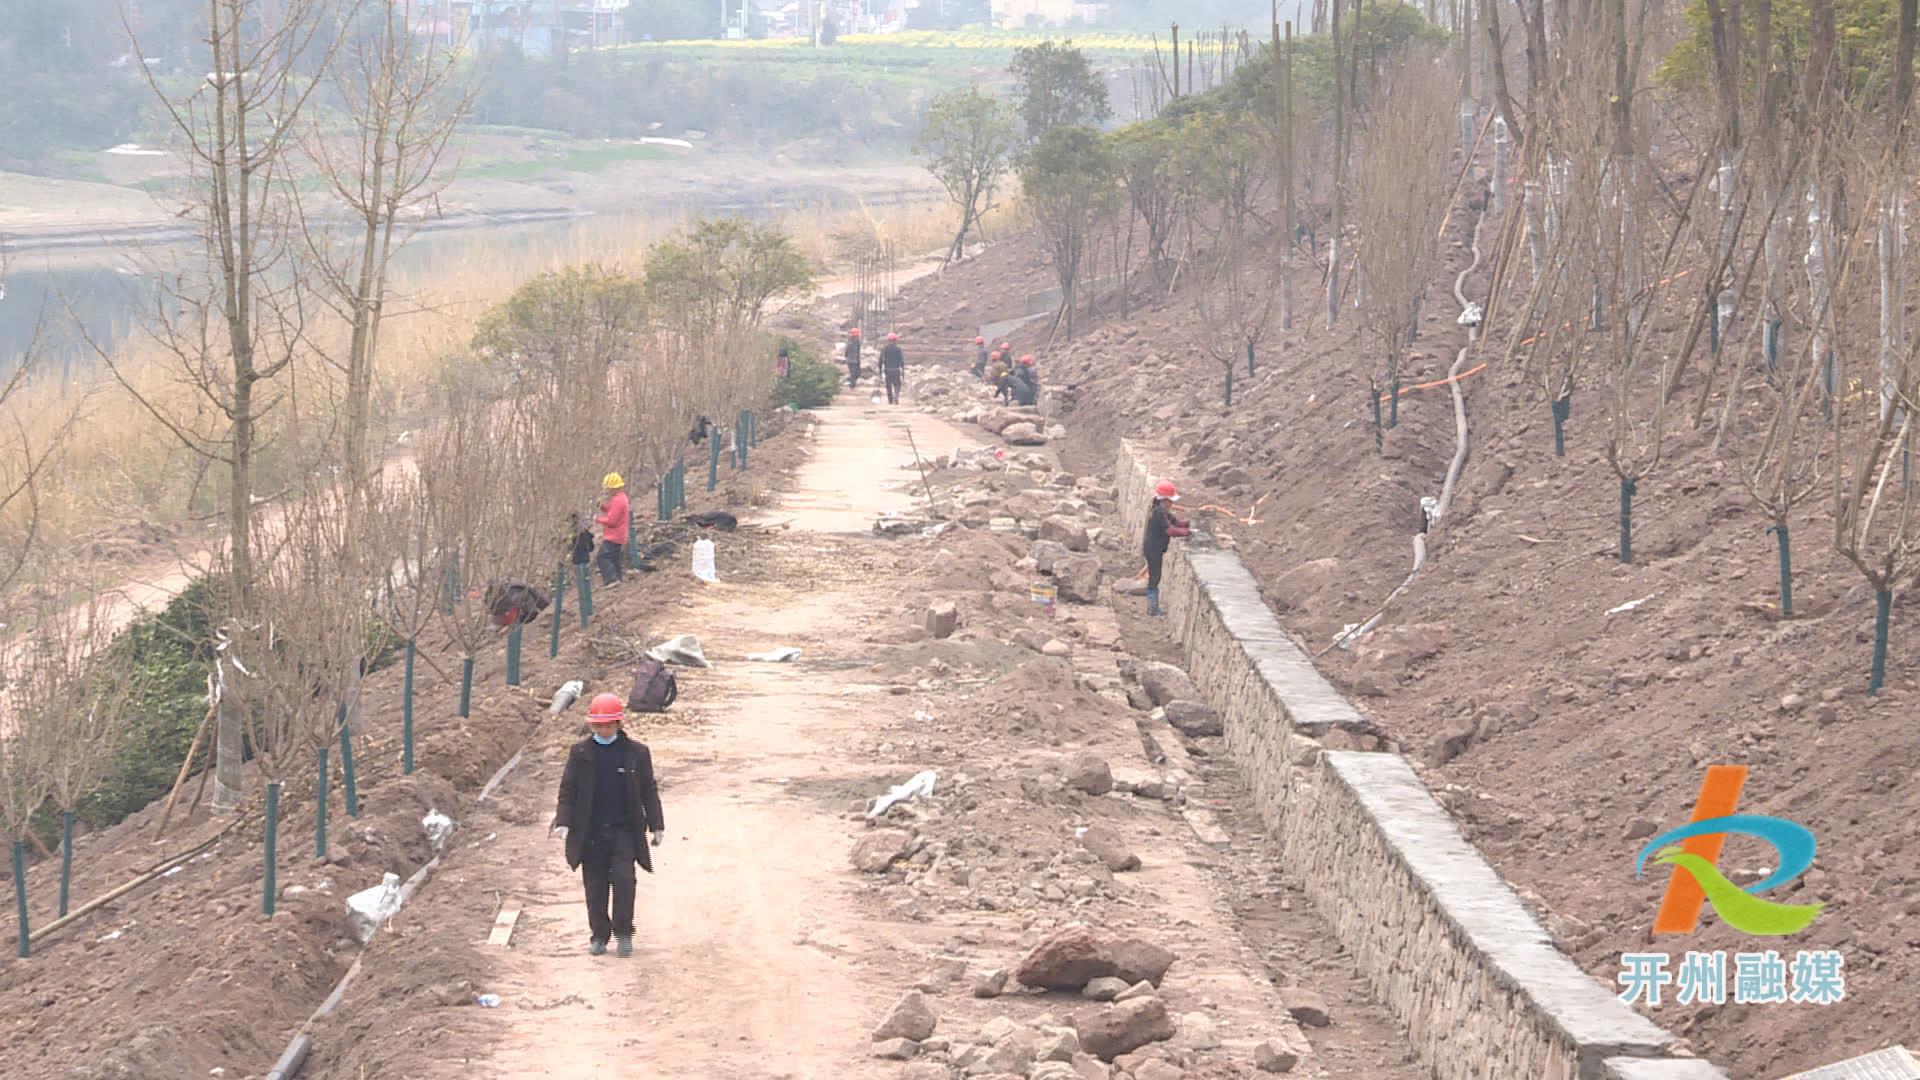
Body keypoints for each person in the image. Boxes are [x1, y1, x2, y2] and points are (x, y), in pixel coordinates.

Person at [552, 693, 664, 957]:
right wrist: (564, 821)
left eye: (609, 725)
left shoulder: (636, 753)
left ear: (618, 724)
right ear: (592, 726)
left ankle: (624, 933)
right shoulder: (580, 753)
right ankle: (599, 936)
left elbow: (649, 789)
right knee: (595, 885)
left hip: (623, 831)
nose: (604, 730)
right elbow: (568, 789)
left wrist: (657, 824)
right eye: (599, 726)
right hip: (590, 833)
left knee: (625, 881)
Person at [1141, 480, 1191, 617]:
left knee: (1156, 576)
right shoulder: (1158, 513)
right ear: (1165, 500)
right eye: (1170, 501)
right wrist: (1187, 532)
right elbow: (1170, 530)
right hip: (1153, 550)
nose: (1172, 504)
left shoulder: (1162, 511)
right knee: (1155, 577)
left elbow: (1176, 522)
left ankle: (1153, 607)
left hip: (1155, 549)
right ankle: (1152, 609)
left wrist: (1189, 524)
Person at [596, 473, 630, 587]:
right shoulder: (620, 498)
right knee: (614, 558)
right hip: (619, 535)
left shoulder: (618, 501)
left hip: (614, 536)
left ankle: (612, 580)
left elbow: (612, 521)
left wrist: (598, 520)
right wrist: (603, 507)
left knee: (602, 557)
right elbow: (613, 512)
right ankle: (618, 579)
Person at [879, 332, 906, 405]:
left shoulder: (884, 349)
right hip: (896, 370)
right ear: (895, 340)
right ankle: (896, 396)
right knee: (897, 384)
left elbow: (880, 361)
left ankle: (890, 400)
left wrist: (880, 372)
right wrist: (903, 372)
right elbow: (902, 361)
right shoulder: (898, 349)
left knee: (888, 385)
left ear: (888, 340)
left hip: (887, 370)